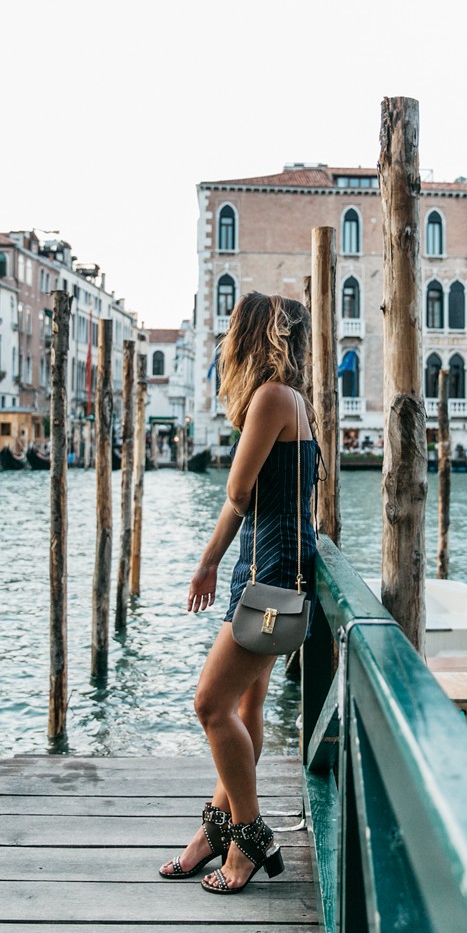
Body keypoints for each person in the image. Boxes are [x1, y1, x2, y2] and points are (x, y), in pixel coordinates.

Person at [159, 292, 318, 894]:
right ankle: (215, 833)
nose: (226, 344)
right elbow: (243, 501)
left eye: (232, 334)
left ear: (250, 338)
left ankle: (249, 839)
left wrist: (207, 562)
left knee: (209, 706)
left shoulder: (272, 397)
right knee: (245, 710)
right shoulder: (292, 400)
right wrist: (209, 566)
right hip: (265, 575)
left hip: (271, 583)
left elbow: (236, 487)